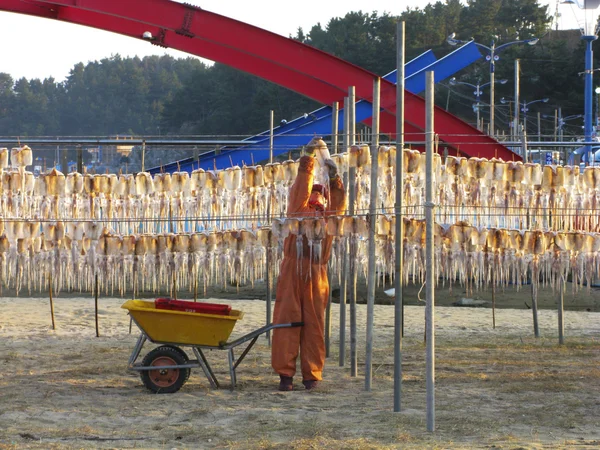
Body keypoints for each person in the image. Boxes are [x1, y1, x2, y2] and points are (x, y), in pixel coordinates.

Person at [271, 138, 346, 391]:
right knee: (286, 320)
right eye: (314, 194)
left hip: (316, 273)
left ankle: (312, 376)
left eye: (321, 196)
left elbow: (339, 203)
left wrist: (334, 179)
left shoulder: (330, 219)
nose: (317, 200)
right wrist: (307, 161)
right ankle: (285, 376)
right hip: (293, 269)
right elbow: (298, 191)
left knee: (314, 325)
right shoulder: (297, 212)